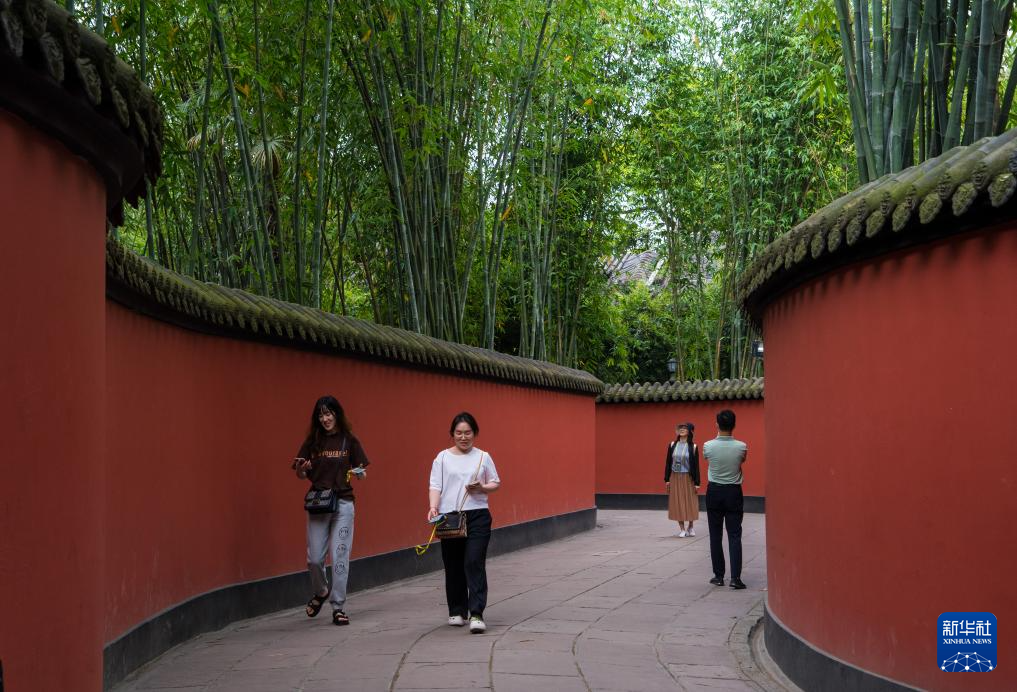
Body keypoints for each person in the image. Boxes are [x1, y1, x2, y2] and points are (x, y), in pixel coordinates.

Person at [292, 395, 370, 625]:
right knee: (315, 559)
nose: (325, 419)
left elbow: (363, 472)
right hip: (319, 504)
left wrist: (358, 473)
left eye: (328, 414)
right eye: (321, 415)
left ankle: (338, 606)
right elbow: (300, 474)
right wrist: (302, 469)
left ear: (337, 414)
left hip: (343, 503)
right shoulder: (312, 442)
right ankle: (321, 591)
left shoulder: (349, 440)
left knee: (339, 556)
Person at [427, 412, 501, 634]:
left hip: (478, 515)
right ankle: (457, 610)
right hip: (450, 517)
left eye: (468, 432)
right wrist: (433, 507)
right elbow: (435, 485)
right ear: (452, 434)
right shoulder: (442, 458)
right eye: (459, 433)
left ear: (474, 433)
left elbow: (495, 482)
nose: (463, 437)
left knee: (473, 561)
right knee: (453, 564)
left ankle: (476, 613)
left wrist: (482, 488)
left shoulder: (483, 457)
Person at [703, 409, 748, 590]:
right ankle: (735, 578)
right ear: (734, 425)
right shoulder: (741, 447)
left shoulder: (708, 446)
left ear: (717, 424)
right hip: (733, 492)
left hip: (714, 492)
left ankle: (718, 576)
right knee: (735, 535)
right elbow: (741, 462)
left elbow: (708, 459)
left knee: (715, 535)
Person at [664, 422, 700, 537]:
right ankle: (682, 529)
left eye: (685, 428)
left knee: (690, 502)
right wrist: (667, 479)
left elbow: (696, 466)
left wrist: (697, 482)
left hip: (688, 477)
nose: (682, 430)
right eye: (680, 428)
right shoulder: (672, 445)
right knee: (677, 502)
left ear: (689, 431)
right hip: (675, 476)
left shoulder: (693, 447)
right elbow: (668, 462)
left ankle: (690, 526)